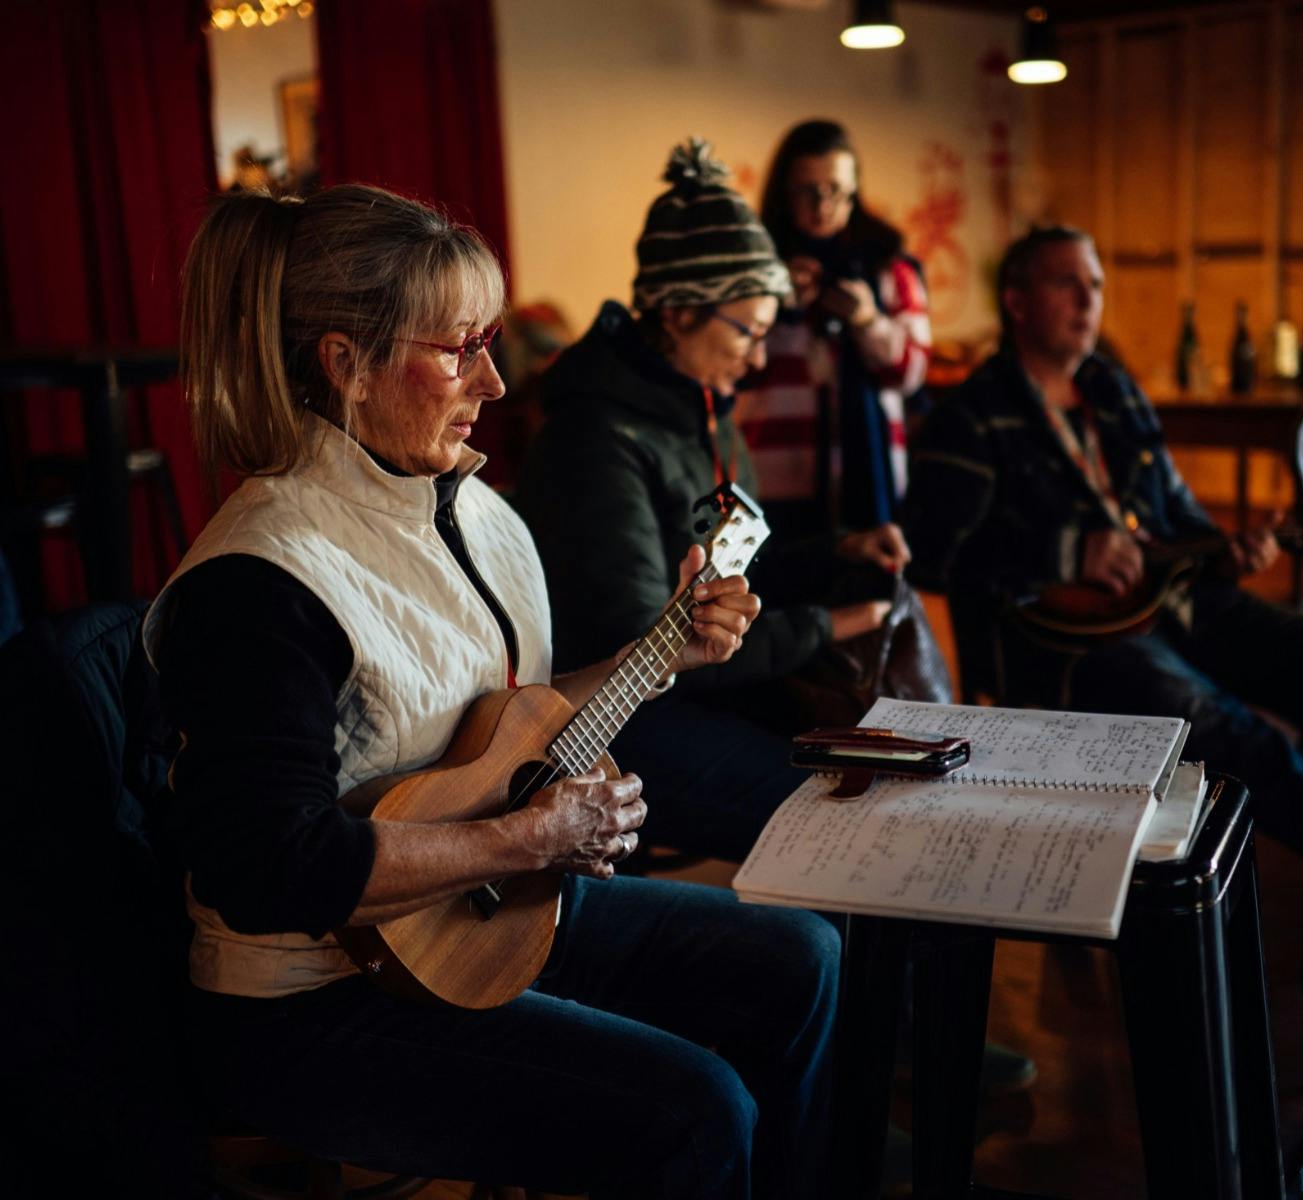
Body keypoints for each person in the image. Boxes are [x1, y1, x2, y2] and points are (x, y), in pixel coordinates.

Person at [145, 183, 838, 1200]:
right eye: (459, 348)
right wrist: (530, 840)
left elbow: (495, 726)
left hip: (475, 917)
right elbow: (269, 865)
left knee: (798, 957)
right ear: (348, 366)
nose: (497, 383)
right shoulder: (260, 579)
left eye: (490, 342)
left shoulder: (464, 510)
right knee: (695, 1115)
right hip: (308, 1004)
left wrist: (665, 653)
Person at [903, 226, 1303, 865]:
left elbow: (1178, 517)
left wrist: (1224, 552)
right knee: (1205, 715)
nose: (1089, 301)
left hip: (1177, 602)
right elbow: (929, 551)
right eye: (1068, 284)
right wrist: (1066, 554)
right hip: (1065, 646)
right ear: (1016, 300)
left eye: (1095, 285)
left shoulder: (1112, 392)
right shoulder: (972, 414)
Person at [516, 139, 912, 861]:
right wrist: (827, 626)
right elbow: (644, 649)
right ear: (675, 312)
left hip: (713, 689)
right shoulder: (595, 440)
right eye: (748, 332)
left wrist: (836, 553)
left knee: (895, 780)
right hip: (624, 721)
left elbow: (734, 569)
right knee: (849, 822)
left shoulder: (703, 408)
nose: (759, 359)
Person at [736, 119, 932, 539]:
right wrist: (778, 307)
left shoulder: (889, 264)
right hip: (770, 473)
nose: (821, 205)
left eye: (836, 191)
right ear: (784, 192)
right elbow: (728, 370)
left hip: (872, 480)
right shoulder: (754, 266)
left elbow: (913, 375)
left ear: (855, 190)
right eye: (806, 191)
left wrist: (868, 322)